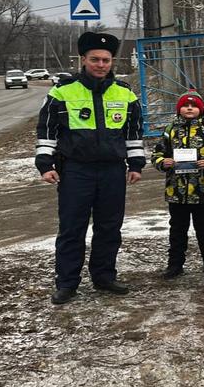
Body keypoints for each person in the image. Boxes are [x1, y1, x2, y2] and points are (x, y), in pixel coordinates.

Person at [35, 32, 145, 305]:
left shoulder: (125, 93)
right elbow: (47, 131)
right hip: (76, 171)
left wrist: (136, 163)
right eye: (95, 59)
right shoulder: (62, 91)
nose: (101, 64)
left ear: (112, 61)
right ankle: (67, 283)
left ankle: (104, 276)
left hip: (112, 171)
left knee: (109, 227)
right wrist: (44, 164)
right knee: (72, 228)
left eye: (106, 60)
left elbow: (133, 133)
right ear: (83, 60)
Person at [151, 89, 204, 279]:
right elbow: (157, 153)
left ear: (200, 109)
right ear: (179, 109)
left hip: (202, 190)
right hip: (176, 190)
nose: (189, 108)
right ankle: (175, 265)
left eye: (194, 106)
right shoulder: (170, 130)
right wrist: (162, 163)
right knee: (177, 229)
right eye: (186, 105)